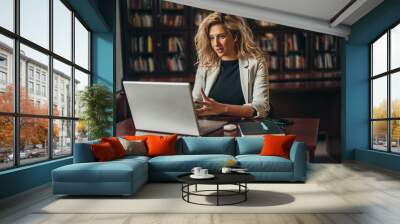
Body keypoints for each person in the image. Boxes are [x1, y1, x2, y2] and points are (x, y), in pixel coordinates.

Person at [192, 12, 270, 119]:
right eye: (212, 38)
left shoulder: (256, 63)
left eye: (222, 37)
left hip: (244, 127)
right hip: (210, 126)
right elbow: (196, 101)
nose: (216, 44)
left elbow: (261, 107)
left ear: (235, 37)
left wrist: (222, 108)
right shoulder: (205, 64)